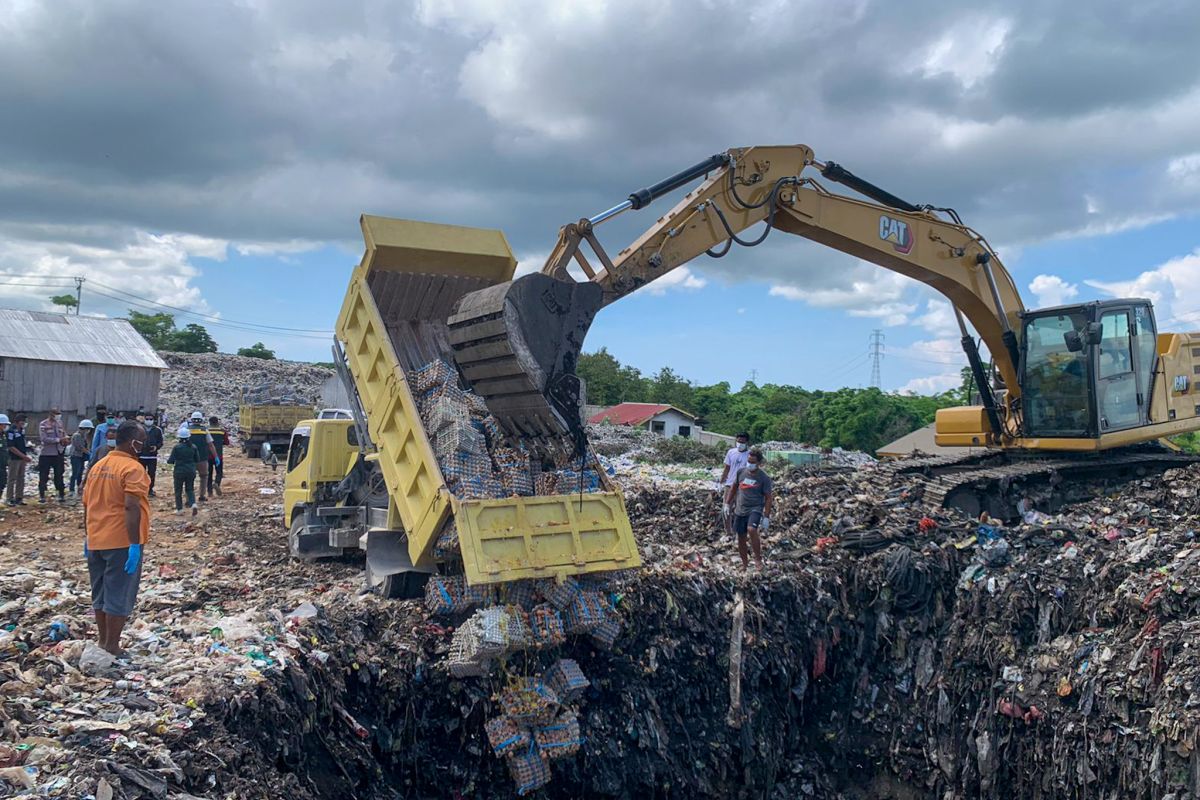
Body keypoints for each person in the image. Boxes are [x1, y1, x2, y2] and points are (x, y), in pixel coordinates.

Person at [82, 421, 150, 657]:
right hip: (121, 540)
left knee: (100, 593)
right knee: (119, 593)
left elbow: (87, 504)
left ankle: (103, 641)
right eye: (142, 440)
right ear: (133, 442)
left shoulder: (99, 466)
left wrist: (87, 535)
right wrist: (133, 544)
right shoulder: (133, 469)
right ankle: (112, 645)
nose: (144, 445)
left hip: (97, 538)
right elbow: (132, 507)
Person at [723, 448, 773, 571]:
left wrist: (766, 516)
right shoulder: (741, 472)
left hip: (755, 508)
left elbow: (768, 498)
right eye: (749, 461)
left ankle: (757, 559)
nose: (750, 464)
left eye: (753, 462)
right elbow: (734, 488)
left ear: (759, 463)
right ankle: (744, 563)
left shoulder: (764, 478)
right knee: (741, 537)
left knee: (751, 529)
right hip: (740, 508)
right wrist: (727, 504)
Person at [719, 433, 751, 534]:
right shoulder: (731, 452)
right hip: (730, 485)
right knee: (726, 509)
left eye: (742, 442)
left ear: (747, 443)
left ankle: (739, 531)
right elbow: (727, 468)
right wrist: (721, 481)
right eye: (739, 441)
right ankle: (728, 531)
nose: (740, 444)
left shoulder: (750, 455)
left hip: (743, 486)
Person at [37, 407, 70, 504]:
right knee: (43, 475)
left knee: (59, 474)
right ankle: (42, 495)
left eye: (59, 413)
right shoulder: (43, 424)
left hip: (58, 453)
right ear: (51, 414)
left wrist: (66, 440)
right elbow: (44, 438)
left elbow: (63, 434)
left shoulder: (60, 423)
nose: (58, 415)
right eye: (57, 413)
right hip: (47, 454)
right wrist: (58, 440)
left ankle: (61, 494)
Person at [186, 412, 217, 502]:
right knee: (203, 477)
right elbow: (210, 445)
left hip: (189, 459)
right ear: (201, 420)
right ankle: (202, 496)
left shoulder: (186, 430)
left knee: (189, 479)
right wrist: (216, 456)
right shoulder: (204, 430)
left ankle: (188, 499)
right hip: (202, 458)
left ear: (191, 420)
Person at [167, 435, 200, 515]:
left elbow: (170, 461)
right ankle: (193, 504)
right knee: (190, 489)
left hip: (179, 471)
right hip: (191, 471)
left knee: (178, 490)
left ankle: (180, 509)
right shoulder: (193, 447)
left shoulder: (176, 447)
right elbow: (197, 459)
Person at [6, 415, 32, 505]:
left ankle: (19, 497)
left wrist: (25, 455)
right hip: (14, 458)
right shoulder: (11, 431)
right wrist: (23, 456)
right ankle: (9, 498)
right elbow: (11, 447)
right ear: (17, 421)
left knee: (21, 478)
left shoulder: (22, 431)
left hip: (22, 458)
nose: (24, 424)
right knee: (12, 478)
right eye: (22, 422)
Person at [139, 414, 164, 497]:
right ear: (144, 419)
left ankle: (150, 489)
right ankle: (141, 489)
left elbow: (160, 442)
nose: (149, 420)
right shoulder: (139, 429)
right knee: (141, 473)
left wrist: (156, 447)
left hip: (152, 456)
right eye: (147, 419)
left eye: (151, 419)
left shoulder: (157, 430)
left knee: (151, 473)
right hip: (141, 455)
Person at [70, 419, 94, 494]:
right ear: (84, 428)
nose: (88, 431)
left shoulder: (83, 436)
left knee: (80, 472)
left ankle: (79, 487)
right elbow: (80, 447)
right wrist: (89, 453)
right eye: (88, 429)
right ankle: (72, 489)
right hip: (76, 456)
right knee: (75, 473)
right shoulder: (77, 435)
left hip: (81, 457)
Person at [207, 416, 228, 497]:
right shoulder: (222, 431)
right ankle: (216, 483)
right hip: (218, 456)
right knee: (219, 472)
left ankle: (209, 492)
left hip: (207, 455)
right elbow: (227, 442)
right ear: (217, 422)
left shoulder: (206, 431)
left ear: (209, 422)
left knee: (208, 474)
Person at [0, 414, 9, 505]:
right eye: (4, 424)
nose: (5, 426)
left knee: (2, 483)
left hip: (2, 465)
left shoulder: (3, 435)